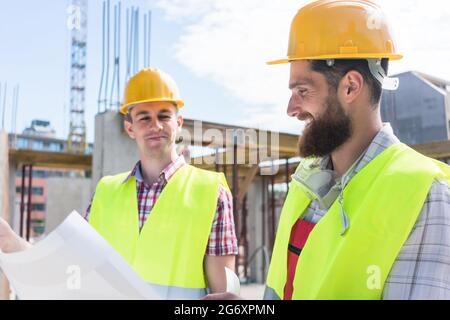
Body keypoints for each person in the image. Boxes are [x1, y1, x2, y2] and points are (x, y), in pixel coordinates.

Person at [207, 0, 450, 300]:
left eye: (303, 91)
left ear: (350, 87)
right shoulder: (305, 181)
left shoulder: (425, 195)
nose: (291, 109)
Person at [0, 68, 238, 300]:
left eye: (164, 115)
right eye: (144, 118)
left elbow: (223, 294)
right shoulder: (106, 191)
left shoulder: (210, 191)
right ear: (130, 128)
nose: (155, 125)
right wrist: (13, 243)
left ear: (178, 122)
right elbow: (69, 267)